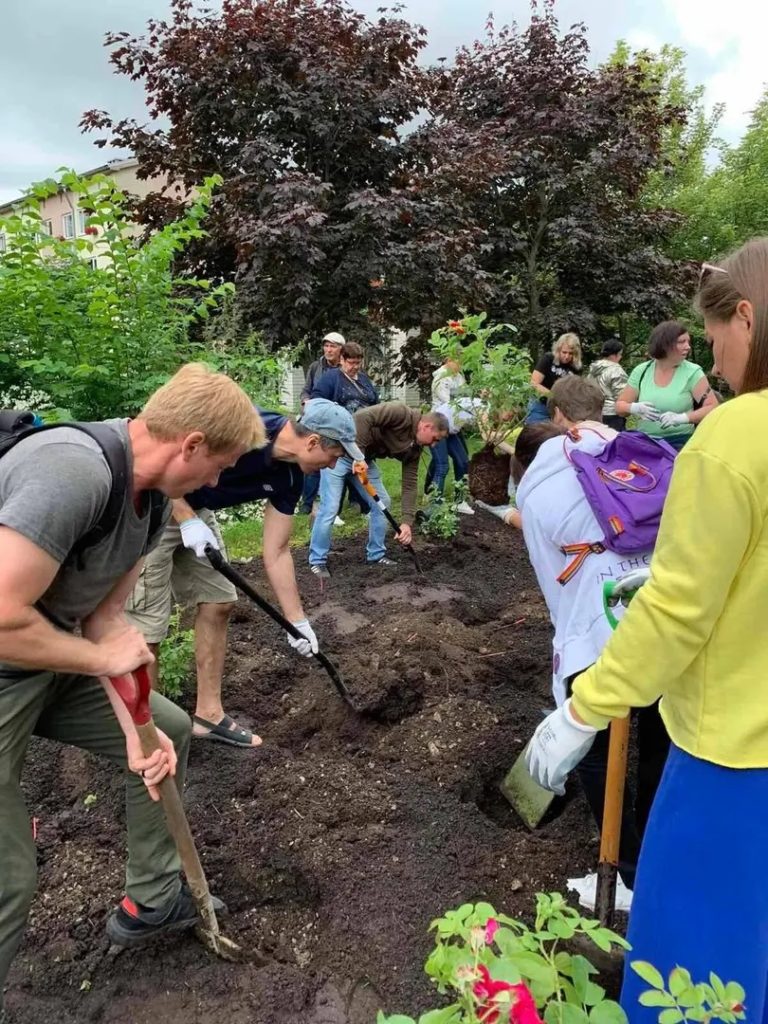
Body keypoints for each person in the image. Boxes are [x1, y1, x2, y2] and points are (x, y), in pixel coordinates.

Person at [526, 238, 768, 1023]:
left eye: (718, 336)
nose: (718, 363)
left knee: (698, 966)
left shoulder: (734, 438)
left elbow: (678, 614)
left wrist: (583, 707)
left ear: (749, 316)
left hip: (734, 752)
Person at [0, 364, 263, 1010]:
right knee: (8, 879)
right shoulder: (74, 474)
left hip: (45, 662)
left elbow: (104, 618)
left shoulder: (144, 505)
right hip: (12, 659)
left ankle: (153, 897)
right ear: (191, 444)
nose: (217, 481)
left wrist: (136, 735)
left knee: (167, 731)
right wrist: (95, 659)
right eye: (219, 465)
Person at [125, 399, 354, 749]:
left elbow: (276, 552)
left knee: (219, 601)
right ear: (312, 443)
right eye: (335, 455)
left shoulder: (292, 476)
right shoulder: (244, 428)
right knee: (149, 627)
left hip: (196, 509)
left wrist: (298, 622)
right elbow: (157, 457)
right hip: (151, 501)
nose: (335, 464)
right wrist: (185, 521)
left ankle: (209, 716)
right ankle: (148, 737)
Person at [517, 376, 669, 901]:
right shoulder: (647, 453)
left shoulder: (543, 472)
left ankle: (622, 873)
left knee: (595, 744)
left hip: (597, 619)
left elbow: (548, 569)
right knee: (659, 739)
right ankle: (656, 859)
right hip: (665, 612)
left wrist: (570, 639)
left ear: (556, 413)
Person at [308, 403, 448, 577]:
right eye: (435, 439)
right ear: (426, 426)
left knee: (383, 503)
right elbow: (362, 417)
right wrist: (357, 455)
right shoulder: (401, 413)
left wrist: (406, 522)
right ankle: (317, 560)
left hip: (364, 462)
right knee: (330, 507)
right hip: (340, 453)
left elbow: (410, 484)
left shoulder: (415, 449)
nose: (434, 445)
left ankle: (376, 554)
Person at [615, 321, 718, 450]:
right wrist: (633, 408)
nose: (688, 347)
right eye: (681, 342)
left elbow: (712, 407)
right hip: (646, 443)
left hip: (680, 443)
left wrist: (683, 418)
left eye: (688, 342)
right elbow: (619, 406)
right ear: (664, 344)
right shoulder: (641, 371)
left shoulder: (693, 372)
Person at [311, 341, 379, 517]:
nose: (355, 367)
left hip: (363, 447)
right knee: (330, 506)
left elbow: (375, 404)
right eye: (351, 363)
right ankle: (319, 536)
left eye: (358, 363)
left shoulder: (364, 380)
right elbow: (317, 403)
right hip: (337, 446)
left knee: (378, 500)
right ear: (342, 359)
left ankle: (367, 512)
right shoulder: (331, 378)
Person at [299, 331, 345, 515]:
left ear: (341, 349)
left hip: (335, 423)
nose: (328, 349)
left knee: (335, 461)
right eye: (326, 345)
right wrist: (305, 401)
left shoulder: (344, 369)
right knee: (311, 458)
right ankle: (307, 504)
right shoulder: (316, 367)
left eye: (333, 346)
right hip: (315, 421)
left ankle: (337, 505)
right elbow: (305, 390)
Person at [426, 356, 473, 508]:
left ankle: (460, 501)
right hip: (438, 426)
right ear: (448, 360)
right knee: (442, 465)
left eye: (462, 362)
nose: (460, 365)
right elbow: (450, 404)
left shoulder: (458, 377)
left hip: (453, 426)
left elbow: (466, 396)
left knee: (463, 461)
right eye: (458, 361)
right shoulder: (440, 377)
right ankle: (435, 504)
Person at [525, 333, 583, 424]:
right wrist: (553, 395)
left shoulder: (576, 367)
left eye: (570, 353)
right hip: (540, 405)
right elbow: (534, 383)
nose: (567, 356)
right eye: (564, 352)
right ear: (558, 350)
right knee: (536, 435)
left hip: (561, 410)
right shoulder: (548, 359)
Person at [588, 339, 628, 431]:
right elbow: (622, 396)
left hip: (595, 412)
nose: (621, 357)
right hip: (612, 414)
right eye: (620, 354)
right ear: (615, 355)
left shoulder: (593, 369)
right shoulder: (616, 370)